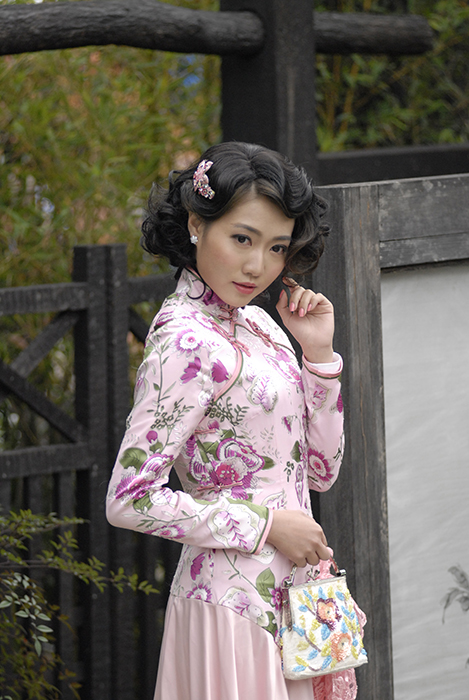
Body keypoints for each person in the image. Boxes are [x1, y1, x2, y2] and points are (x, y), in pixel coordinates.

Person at [106, 142, 352, 700]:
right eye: (242, 238)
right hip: (229, 606)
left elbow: (320, 472)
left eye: (276, 247)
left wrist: (319, 359)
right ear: (197, 224)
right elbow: (128, 499)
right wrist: (265, 526)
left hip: (297, 601)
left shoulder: (261, 327)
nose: (257, 265)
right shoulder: (184, 342)